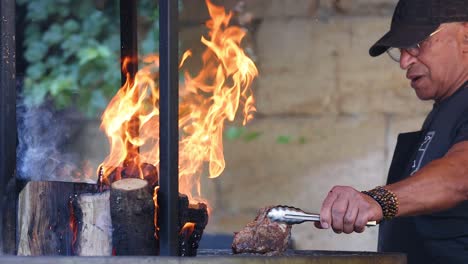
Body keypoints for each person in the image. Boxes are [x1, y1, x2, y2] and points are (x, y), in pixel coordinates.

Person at [315, 0, 468, 263]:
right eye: (401, 50)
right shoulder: (445, 109)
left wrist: (378, 201)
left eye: (417, 43)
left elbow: (460, 175)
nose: (404, 61)